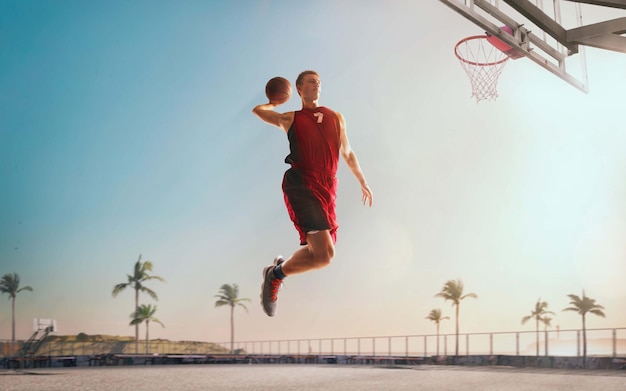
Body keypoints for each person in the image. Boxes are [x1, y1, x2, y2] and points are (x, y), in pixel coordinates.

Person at [252, 70, 373, 317]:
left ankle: (275, 273)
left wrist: (363, 181)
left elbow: (347, 153)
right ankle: (274, 276)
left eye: (319, 82)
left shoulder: (336, 117)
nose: (317, 84)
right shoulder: (291, 119)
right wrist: (273, 102)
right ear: (299, 88)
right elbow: (259, 111)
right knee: (325, 254)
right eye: (311, 81)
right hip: (302, 182)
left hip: (327, 188)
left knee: (321, 256)